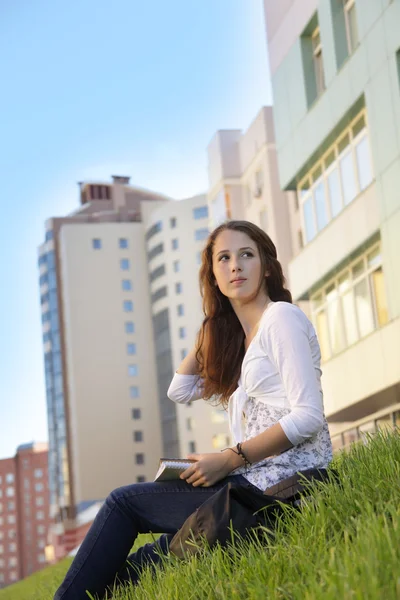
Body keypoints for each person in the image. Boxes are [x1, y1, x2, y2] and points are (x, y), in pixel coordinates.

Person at [54, 220, 333, 600]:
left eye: (246, 255)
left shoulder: (281, 319)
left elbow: (308, 416)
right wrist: (211, 328)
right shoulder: (243, 344)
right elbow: (180, 389)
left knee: (123, 503)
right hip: (251, 487)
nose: (235, 265)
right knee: (137, 566)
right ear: (214, 276)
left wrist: (229, 458)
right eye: (224, 258)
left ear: (266, 265)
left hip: (281, 490)